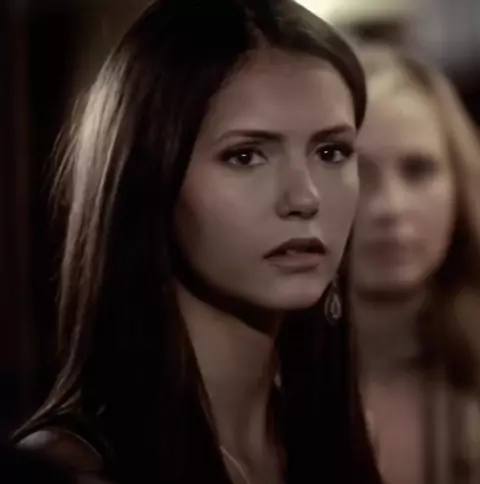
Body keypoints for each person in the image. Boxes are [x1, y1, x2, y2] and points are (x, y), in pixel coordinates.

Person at [13, 1, 381, 483]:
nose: (305, 197)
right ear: (150, 176)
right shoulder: (71, 470)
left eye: (331, 151)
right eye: (246, 156)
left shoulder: (330, 439)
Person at [350, 44, 480, 484]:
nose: (390, 207)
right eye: (358, 172)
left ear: (460, 182)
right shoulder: (243, 390)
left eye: (418, 169)